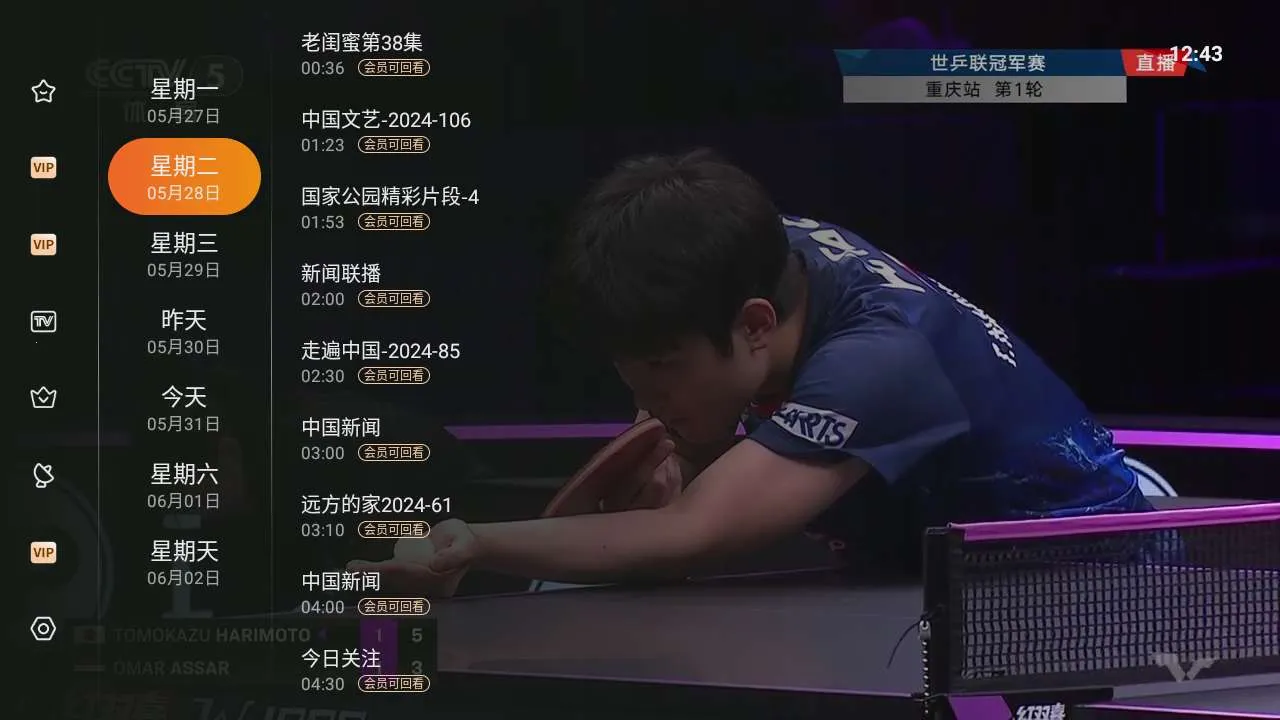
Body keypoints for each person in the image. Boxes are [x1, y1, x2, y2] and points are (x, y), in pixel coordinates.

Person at [350, 149, 1153, 593]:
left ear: (755, 326)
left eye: (663, 369)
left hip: (1081, 578)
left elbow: (692, 533)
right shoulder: (753, 253)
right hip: (918, 567)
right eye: (630, 374)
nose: (647, 399)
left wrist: (471, 543)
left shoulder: (878, 363)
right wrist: (679, 443)